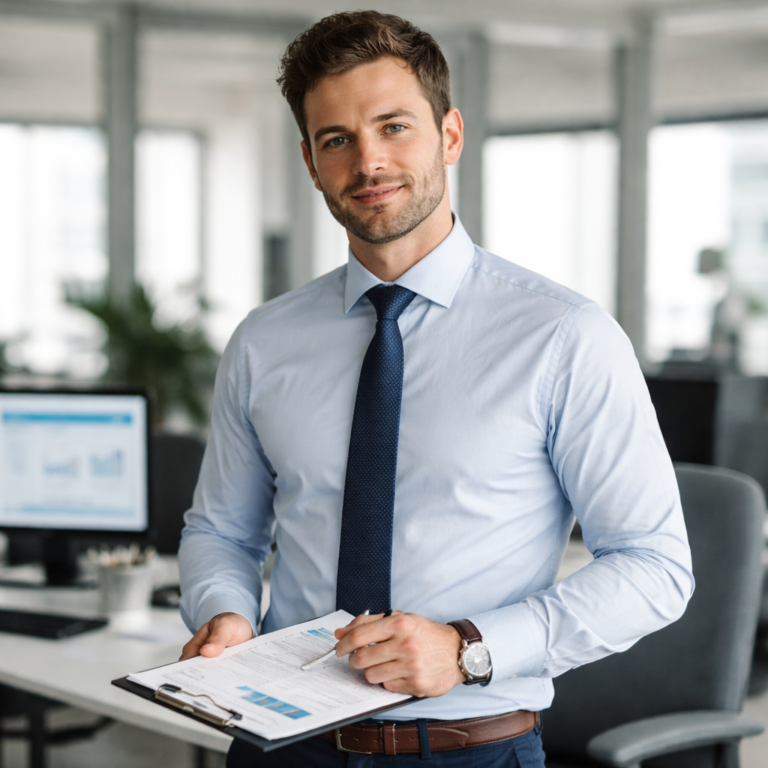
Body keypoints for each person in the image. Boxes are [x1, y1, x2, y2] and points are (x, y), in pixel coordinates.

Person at [178, 11, 694, 767]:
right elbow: (222, 530)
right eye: (337, 140)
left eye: (394, 127)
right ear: (310, 162)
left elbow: (655, 566)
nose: (369, 162)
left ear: (450, 135)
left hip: (467, 747)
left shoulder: (563, 337)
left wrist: (468, 649)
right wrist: (223, 613)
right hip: (280, 743)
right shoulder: (265, 341)